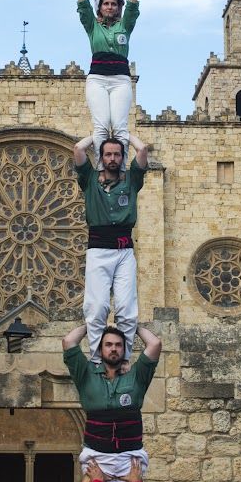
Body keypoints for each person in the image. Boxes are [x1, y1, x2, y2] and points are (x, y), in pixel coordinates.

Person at [62, 322, 163, 482]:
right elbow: (69, 341)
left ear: (124, 349)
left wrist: (132, 325)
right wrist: (92, 323)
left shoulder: (136, 375)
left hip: (129, 458)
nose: (113, 349)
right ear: (100, 349)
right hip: (97, 457)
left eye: (118, 345)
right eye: (108, 344)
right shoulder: (85, 374)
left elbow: (155, 344)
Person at [73, 134, 149, 358]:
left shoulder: (132, 180)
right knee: (96, 308)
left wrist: (125, 135)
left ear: (123, 157)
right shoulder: (89, 179)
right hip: (98, 250)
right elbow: (78, 149)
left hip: (124, 251)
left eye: (117, 154)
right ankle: (97, 359)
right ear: (101, 158)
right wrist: (98, 136)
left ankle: (124, 359)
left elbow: (142, 150)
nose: (112, 158)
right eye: (108, 154)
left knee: (127, 309)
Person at [76, 0, 140, 156]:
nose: (110, 7)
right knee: (101, 126)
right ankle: (101, 166)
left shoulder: (125, 26)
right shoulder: (92, 26)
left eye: (113, 4)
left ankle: (121, 167)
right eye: (106, 4)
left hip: (121, 80)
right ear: (100, 7)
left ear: (119, 7)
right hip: (97, 79)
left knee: (120, 127)